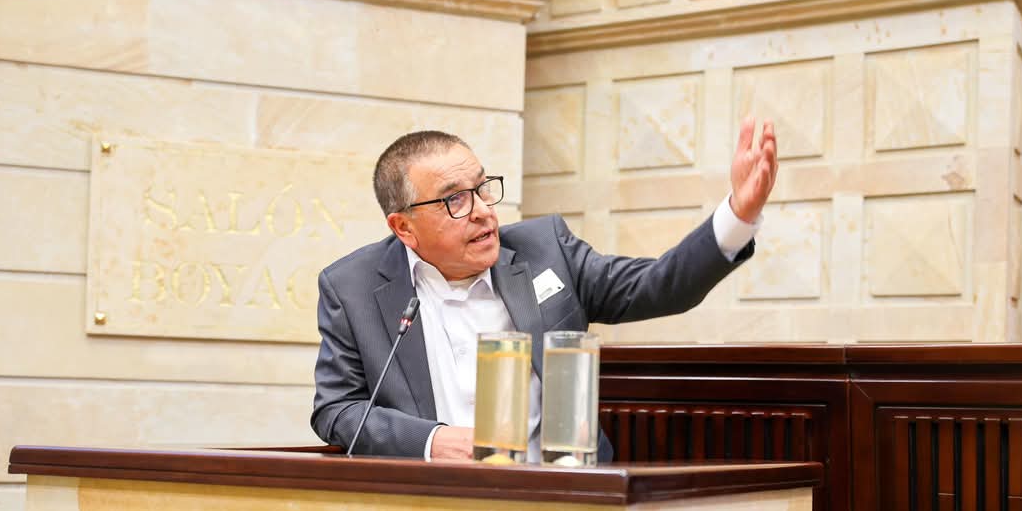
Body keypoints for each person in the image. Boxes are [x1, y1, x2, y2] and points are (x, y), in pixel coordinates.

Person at [312, 119, 778, 461]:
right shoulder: (352, 288)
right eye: (455, 199)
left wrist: (737, 214)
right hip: (435, 508)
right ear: (404, 228)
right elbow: (337, 409)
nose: (482, 211)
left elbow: (659, 286)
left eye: (482, 189)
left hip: (563, 500)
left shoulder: (545, 252)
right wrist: (432, 441)